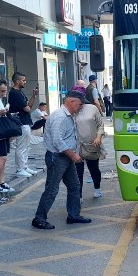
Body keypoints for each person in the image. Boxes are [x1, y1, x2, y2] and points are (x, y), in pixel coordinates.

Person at [32, 91, 92, 229]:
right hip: (57, 158)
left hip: (65, 157)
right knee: (52, 189)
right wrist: (73, 155)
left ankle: (73, 215)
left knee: (74, 186)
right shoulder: (60, 116)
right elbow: (57, 141)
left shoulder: (68, 115)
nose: (81, 107)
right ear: (71, 102)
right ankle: (39, 218)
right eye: (80, 104)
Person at [71, 85, 105, 200]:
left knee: (94, 169)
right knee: (78, 172)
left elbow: (100, 124)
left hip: (92, 144)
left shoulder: (92, 108)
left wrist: (98, 137)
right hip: (77, 146)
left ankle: (97, 188)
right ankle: (79, 196)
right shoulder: (71, 110)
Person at [8, 72, 39, 178]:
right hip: (20, 123)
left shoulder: (20, 92)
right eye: (23, 80)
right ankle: (20, 169)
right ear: (17, 81)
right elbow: (27, 108)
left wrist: (34, 96)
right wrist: (27, 106)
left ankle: (24, 167)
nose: (25, 82)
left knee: (26, 146)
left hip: (25, 122)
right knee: (21, 147)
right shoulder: (15, 93)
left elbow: (28, 106)